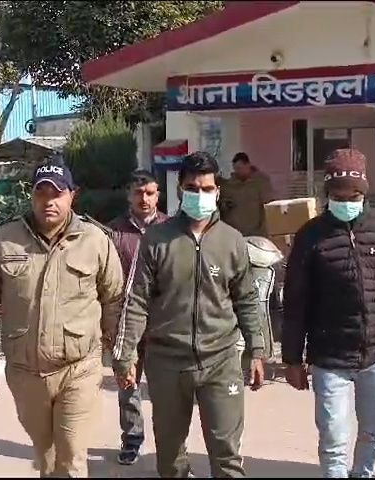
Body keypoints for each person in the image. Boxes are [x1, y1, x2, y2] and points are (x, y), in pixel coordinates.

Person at [0, 158, 124, 477]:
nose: (49, 201)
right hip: (26, 373)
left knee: (71, 455)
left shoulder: (95, 240)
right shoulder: (5, 240)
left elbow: (114, 299)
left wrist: (120, 356)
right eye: (41, 193)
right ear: (32, 195)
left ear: (72, 196)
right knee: (47, 456)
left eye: (57, 193)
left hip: (79, 368)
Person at [113, 151, 265, 478]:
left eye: (207, 188)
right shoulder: (157, 240)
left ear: (218, 191)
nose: (200, 195)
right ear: (180, 190)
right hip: (167, 362)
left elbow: (247, 300)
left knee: (226, 455)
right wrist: (125, 355)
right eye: (192, 188)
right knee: (171, 458)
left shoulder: (232, 241)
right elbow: (136, 300)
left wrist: (257, 349)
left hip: (220, 361)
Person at [282, 148, 375, 478]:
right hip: (329, 357)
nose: (347, 202)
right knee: (333, 438)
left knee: (374, 431)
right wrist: (292, 359)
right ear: (327, 194)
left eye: (354, 196)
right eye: (338, 196)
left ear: (365, 193)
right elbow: (295, 302)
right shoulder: (311, 235)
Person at [108, 169, 168, 465]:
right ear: (128, 196)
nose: (144, 199)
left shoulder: (172, 229)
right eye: (138, 193)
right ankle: (132, 439)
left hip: (163, 326)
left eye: (149, 193)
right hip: (126, 326)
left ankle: (169, 445)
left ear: (158, 195)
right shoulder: (113, 232)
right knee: (127, 385)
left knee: (166, 391)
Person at [219, 152, 274, 236]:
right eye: (235, 169)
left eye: (239, 168)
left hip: (256, 232)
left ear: (247, 165)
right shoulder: (230, 185)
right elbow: (222, 203)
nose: (237, 171)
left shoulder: (260, 182)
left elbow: (268, 203)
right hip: (236, 233)